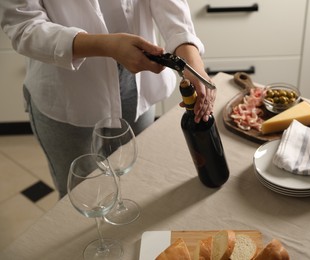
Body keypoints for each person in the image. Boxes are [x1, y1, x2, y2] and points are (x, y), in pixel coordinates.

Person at [0, 0, 216, 198]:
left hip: (137, 82)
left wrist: (190, 59)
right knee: (82, 194)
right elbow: (24, 26)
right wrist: (107, 45)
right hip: (67, 93)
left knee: (135, 181)